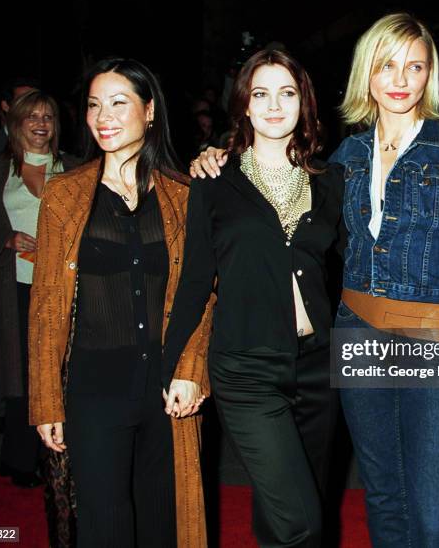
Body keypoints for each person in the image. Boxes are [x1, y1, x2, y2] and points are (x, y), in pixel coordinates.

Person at [193, 13, 439, 547]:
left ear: (431, 75)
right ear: (367, 75)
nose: (400, 79)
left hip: (433, 342)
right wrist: (217, 156)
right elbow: (287, 209)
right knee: (381, 496)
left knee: (430, 510)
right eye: (386, 66)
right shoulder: (345, 159)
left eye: (415, 66)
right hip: (356, 337)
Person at [28, 58, 214, 548]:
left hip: (166, 390)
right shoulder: (64, 195)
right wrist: (46, 398)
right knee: (104, 527)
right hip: (93, 391)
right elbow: (47, 305)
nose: (102, 117)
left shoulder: (184, 195)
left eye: (118, 102)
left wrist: (192, 368)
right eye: (93, 105)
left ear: (149, 111)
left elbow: (202, 290)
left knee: (163, 523)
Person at [164, 49, 344, 547]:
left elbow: (351, 266)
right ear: (243, 105)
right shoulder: (214, 180)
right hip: (247, 367)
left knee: (283, 509)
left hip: (316, 366)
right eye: (260, 94)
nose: (273, 106)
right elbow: (196, 280)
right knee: (303, 520)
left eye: (286, 93)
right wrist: (177, 363)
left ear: (304, 103)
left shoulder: (330, 182)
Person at [0, 89, 77, 486]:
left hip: (61, 288)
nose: (40, 123)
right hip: (15, 287)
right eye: (32, 116)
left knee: (59, 372)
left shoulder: (74, 168)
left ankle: (61, 463)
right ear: (16, 123)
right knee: (21, 378)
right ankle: (18, 462)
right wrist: (8, 238)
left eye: (48, 116)